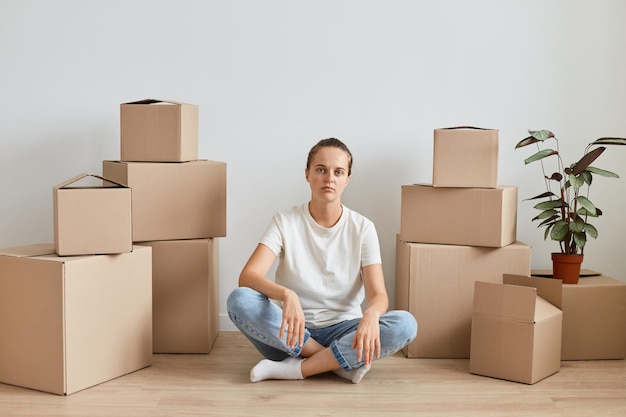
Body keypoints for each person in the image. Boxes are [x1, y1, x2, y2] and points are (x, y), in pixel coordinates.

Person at [227, 138, 417, 384]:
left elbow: (378, 294)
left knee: (405, 325)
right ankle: (335, 363)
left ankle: (295, 369)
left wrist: (371, 314)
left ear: (347, 179)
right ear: (307, 174)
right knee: (239, 299)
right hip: (291, 334)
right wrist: (287, 295)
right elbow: (248, 277)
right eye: (321, 170)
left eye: (338, 172)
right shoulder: (285, 221)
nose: (329, 178)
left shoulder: (363, 228)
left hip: (345, 330)